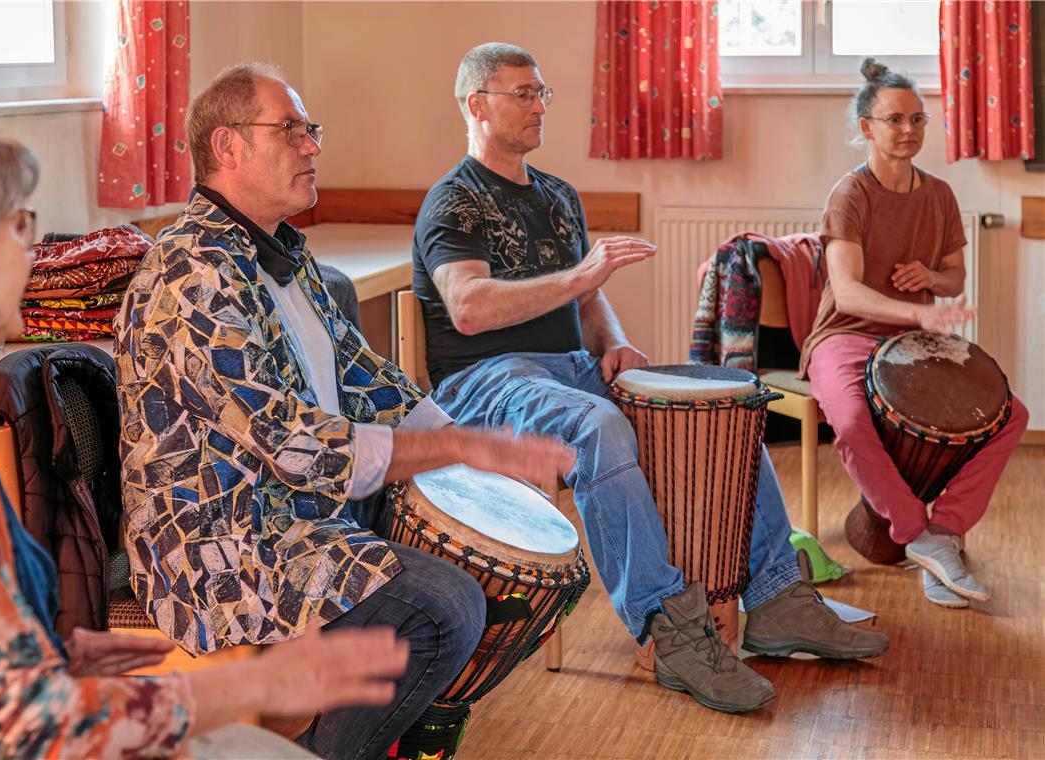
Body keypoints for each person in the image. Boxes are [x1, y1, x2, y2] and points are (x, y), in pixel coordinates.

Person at [0, 121, 410, 759]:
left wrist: (67, 656)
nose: (34, 251)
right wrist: (255, 682)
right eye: (16, 224)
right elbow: (36, 727)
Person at [413, 42, 890, 716]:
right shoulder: (452, 202)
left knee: (722, 406)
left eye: (543, 92)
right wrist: (585, 277)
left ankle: (779, 596)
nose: (539, 105)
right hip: (485, 381)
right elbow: (467, 308)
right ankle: (669, 627)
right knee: (598, 426)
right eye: (524, 92)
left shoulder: (556, 196)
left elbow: (586, 303)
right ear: (477, 105)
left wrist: (617, 343)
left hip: (573, 371)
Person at [114, 64, 574, 759]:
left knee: (501, 572)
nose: (312, 146)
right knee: (441, 609)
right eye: (291, 129)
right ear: (228, 147)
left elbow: (368, 379)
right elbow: (297, 446)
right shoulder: (193, 273)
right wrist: (460, 452)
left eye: (311, 129)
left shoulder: (285, 258)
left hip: (303, 516)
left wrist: (474, 447)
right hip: (221, 550)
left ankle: (392, 736)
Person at [799, 58, 1029, 608]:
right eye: (895, 120)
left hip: (914, 347)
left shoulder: (941, 195)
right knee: (852, 420)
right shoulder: (849, 195)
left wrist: (930, 280)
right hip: (846, 336)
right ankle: (916, 534)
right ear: (868, 128)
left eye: (918, 120)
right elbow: (849, 293)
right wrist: (920, 313)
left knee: (1010, 415)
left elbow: (955, 278)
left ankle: (945, 532)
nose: (909, 131)